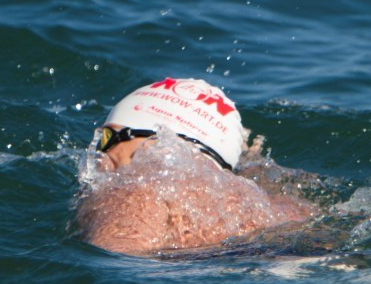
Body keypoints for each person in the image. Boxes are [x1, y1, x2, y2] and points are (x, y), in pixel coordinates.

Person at [76, 77, 315, 256]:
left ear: (152, 142)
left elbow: (114, 264)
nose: (100, 156)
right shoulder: (281, 208)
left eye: (106, 138)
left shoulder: (136, 191)